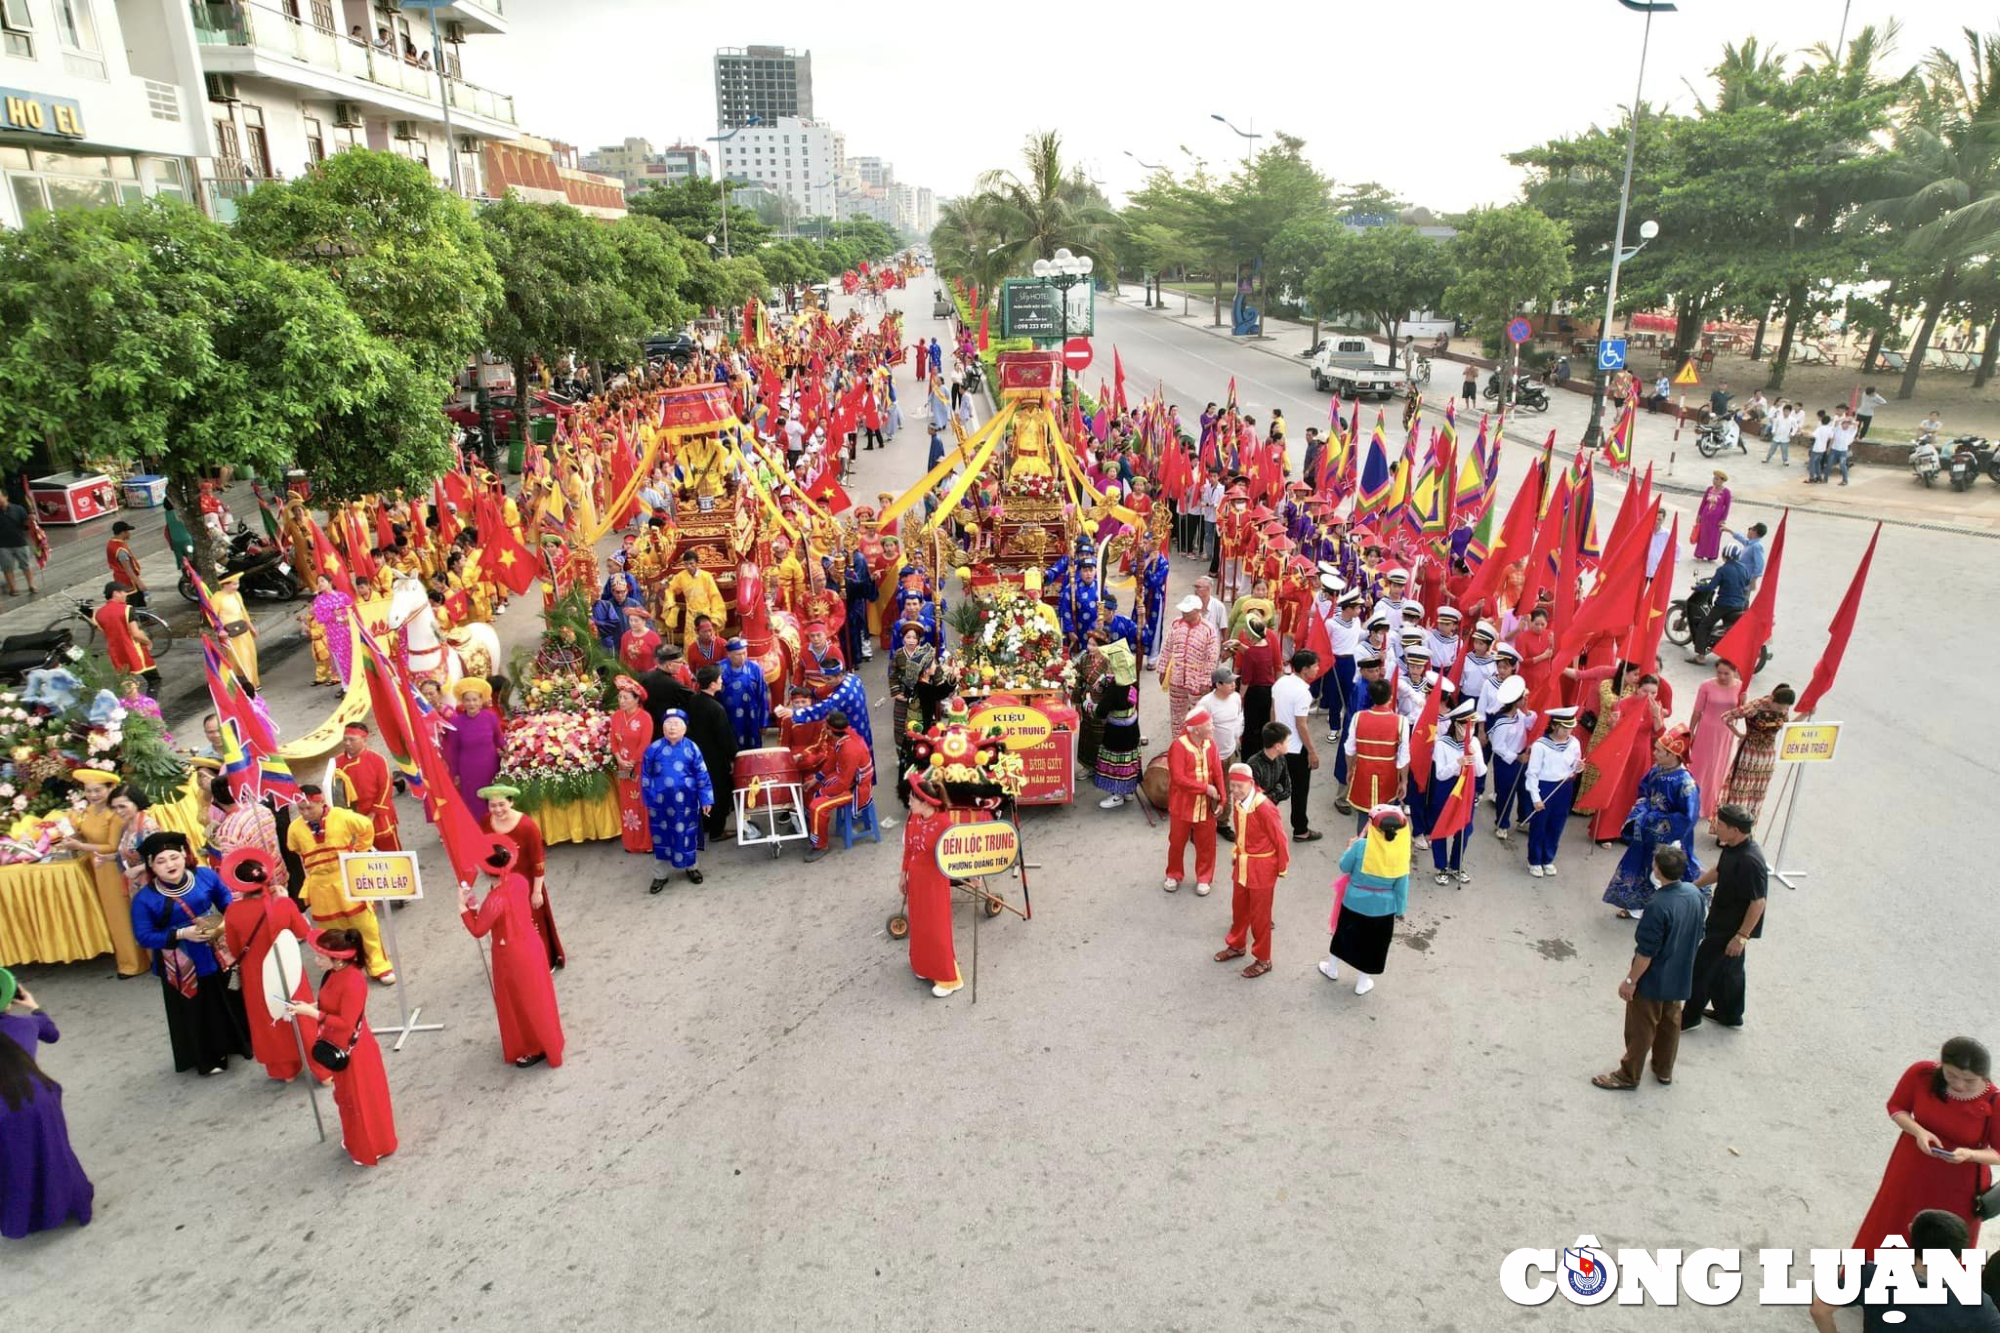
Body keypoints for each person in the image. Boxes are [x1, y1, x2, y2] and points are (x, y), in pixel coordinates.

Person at [1849, 1037, 1999, 1255]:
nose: (1958, 1084)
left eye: (1969, 1080)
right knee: (1893, 1221)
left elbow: (1998, 1152)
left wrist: (1970, 1154)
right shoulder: (1921, 1075)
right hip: (1911, 1167)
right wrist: (1919, 1131)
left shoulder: (1995, 1100)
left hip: (1958, 1184)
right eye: (1951, 1075)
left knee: (1945, 1239)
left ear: (1983, 1077)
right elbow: (1897, 1107)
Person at [128, 830, 251, 1077]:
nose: (169, 865)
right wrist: (183, 935)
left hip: (215, 951)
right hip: (180, 962)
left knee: (227, 998)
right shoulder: (144, 900)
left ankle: (239, 1044)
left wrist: (227, 922)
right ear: (151, 865)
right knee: (196, 1009)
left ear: (184, 854)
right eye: (161, 861)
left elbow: (225, 898)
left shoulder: (204, 876)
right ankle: (208, 1057)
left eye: (174, 857)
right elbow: (143, 936)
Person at [282, 926, 397, 1167]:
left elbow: (345, 1023)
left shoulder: (353, 981)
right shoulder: (335, 974)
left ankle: (373, 1144)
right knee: (347, 1097)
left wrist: (311, 1012)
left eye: (320, 957)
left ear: (338, 959)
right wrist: (308, 1005)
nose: (316, 960)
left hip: (355, 1051)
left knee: (360, 1099)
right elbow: (331, 1004)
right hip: (341, 1045)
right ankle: (357, 1139)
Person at [1592, 845, 1705, 1091]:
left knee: (1641, 1027)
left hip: (1654, 979)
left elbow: (1646, 952)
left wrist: (1630, 981)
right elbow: (1698, 932)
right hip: (1680, 973)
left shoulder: (1658, 905)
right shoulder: (1694, 894)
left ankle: (1629, 1074)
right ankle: (1664, 1069)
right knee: (1671, 1021)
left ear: (1657, 869)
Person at [458, 836, 565, 1070]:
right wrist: (478, 907)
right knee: (539, 998)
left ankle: (534, 1046)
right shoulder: (518, 881)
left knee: (520, 1002)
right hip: (532, 945)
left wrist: (464, 908)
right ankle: (550, 1040)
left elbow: (479, 929)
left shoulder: (495, 899)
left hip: (511, 956)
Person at [219, 847, 318, 1084]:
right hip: (287, 965)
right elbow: (304, 932)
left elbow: (233, 948)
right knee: (301, 1012)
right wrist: (285, 900)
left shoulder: (232, 912)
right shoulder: (281, 905)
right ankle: (320, 1066)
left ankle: (285, 1070)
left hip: (256, 973)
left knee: (268, 1019)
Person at [1811, 1208, 2000, 1330]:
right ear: (1959, 1257)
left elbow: (1819, 1310)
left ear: (1912, 1239)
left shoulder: (1870, 1275)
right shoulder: (1978, 1306)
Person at [285, 785, 395, 983]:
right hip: (319, 886)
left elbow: (366, 827)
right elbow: (293, 849)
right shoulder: (294, 829)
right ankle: (342, 967)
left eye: (309, 807)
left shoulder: (342, 816)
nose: (305, 813)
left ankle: (378, 965)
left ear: (322, 802)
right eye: (301, 809)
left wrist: (359, 853)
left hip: (345, 877)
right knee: (331, 931)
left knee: (365, 924)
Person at [0, 1024, 93, 1239]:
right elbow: (51, 1033)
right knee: (52, 1153)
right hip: (40, 1101)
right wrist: (34, 1007)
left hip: (9, 1119)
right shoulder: (23, 1025)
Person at [57, 768, 150, 979]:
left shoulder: (114, 814)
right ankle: (129, 959)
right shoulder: (90, 810)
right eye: (88, 791)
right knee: (114, 915)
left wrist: (80, 844)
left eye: (98, 790)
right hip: (98, 865)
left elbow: (112, 846)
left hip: (112, 866)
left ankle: (134, 963)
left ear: (110, 789)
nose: (93, 795)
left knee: (121, 914)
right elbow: (90, 834)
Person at [1680, 804, 1765, 1031]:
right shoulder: (1733, 847)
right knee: (1729, 971)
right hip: (1722, 918)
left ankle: (1689, 1016)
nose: (1716, 827)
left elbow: (1758, 902)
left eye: (1722, 825)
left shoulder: (1750, 861)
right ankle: (1730, 1014)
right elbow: (1719, 871)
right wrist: (1694, 886)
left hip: (1731, 927)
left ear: (1735, 830)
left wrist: (1741, 936)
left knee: (1703, 969)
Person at [1602, 728, 1702, 920]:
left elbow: (1688, 818)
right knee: (1640, 865)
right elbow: (1644, 793)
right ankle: (1636, 907)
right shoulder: (1656, 770)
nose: (1654, 753)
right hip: (1647, 831)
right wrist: (1642, 813)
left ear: (1672, 754)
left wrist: (1657, 821)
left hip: (1669, 838)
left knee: (1664, 874)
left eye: (1658, 750)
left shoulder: (1686, 784)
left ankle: (1666, 913)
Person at [1323, 805, 1412, 995]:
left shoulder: (1361, 846)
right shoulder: (1401, 853)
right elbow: (1402, 887)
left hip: (1353, 901)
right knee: (1373, 945)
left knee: (1343, 936)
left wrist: (1349, 848)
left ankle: (1332, 968)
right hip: (1383, 908)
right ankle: (1362, 982)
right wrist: (1401, 910)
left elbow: (1344, 866)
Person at [1213, 763, 1290, 980]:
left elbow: (1280, 839)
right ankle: (1237, 945)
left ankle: (1263, 959)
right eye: (1232, 786)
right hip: (1243, 865)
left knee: (1260, 917)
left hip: (1262, 869)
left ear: (1251, 783)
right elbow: (1240, 834)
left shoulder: (1265, 807)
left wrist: (1281, 867)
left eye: (1239, 786)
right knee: (1239, 909)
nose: (1235, 791)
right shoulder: (1239, 802)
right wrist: (1237, 851)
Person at [478, 786, 563, 970]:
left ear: (511, 802)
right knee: (507, 926)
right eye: (493, 806)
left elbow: (538, 861)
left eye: (502, 804)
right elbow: (484, 852)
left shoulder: (526, 826)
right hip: (501, 884)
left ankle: (544, 961)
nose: (498, 810)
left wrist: (536, 892)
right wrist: (492, 879)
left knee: (533, 924)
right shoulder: (485, 822)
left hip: (528, 884)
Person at [899, 771, 962, 998]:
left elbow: (955, 855)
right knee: (920, 923)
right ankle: (924, 966)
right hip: (916, 881)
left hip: (934, 883)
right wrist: (903, 874)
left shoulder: (943, 823)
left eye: (912, 800)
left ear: (925, 802)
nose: (908, 803)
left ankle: (949, 979)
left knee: (936, 926)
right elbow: (909, 848)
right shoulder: (914, 818)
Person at [640, 710, 714, 891]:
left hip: (686, 804)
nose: (672, 727)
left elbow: (702, 775)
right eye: (668, 724)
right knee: (661, 837)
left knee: (687, 834)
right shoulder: (654, 748)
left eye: (676, 724)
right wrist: (649, 798)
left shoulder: (692, 748)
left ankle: (692, 868)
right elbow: (645, 776)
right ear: (663, 727)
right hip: (660, 804)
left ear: (684, 728)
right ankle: (660, 875)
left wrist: (706, 799)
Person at [1163, 708, 1224, 896]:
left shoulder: (1211, 744)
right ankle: (1173, 874)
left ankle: (1204, 878)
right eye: (1209, 724)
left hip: (1206, 805)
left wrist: (1222, 797)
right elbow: (1178, 779)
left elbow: (1218, 771)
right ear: (1197, 729)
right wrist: (1206, 789)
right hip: (1183, 804)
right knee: (1177, 841)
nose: (1213, 727)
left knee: (1206, 843)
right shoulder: (1179, 746)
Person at [799, 710, 872, 865]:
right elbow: (832, 761)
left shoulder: (850, 749)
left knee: (817, 806)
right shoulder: (843, 737)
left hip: (855, 787)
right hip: (842, 778)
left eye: (825, 727)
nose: (823, 729)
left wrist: (822, 792)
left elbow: (844, 783)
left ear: (831, 730)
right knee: (809, 784)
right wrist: (816, 780)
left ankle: (820, 845)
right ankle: (813, 826)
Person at [1426, 699, 1486, 885]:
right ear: (1457, 725)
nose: (1472, 728)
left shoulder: (1474, 742)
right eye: (1468, 725)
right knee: (1441, 828)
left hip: (1466, 790)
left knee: (1465, 829)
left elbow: (1482, 771)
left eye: (1474, 724)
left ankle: (1456, 865)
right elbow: (1440, 775)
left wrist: (1473, 755)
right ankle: (1441, 866)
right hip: (1446, 789)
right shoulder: (1442, 743)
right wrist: (1457, 763)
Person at [1522, 707, 1583, 877]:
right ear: (1555, 726)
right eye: (1564, 728)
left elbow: (1573, 764)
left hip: (1564, 787)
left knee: (1557, 824)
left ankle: (1548, 858)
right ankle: (1534, 860)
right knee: (1539, 825)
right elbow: (1532, 773)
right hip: (1544, 786)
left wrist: (1577, 767)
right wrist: (1535, 797)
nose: (1568, 732)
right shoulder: (1540, 745)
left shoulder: (1574, 742)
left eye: (1571, 728)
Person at [1720, 683, 1795, 820]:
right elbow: (1726, 717)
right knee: (1739, 789)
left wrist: (1806, 714)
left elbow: (1788, 726)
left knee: (1757, 792)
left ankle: (1746, 827)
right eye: (1779, 707)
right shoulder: (1755, 707)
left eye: (1785, 708)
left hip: (1767, 757)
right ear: (1772, 699)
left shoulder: (1783, 709)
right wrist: (1738, 733)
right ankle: (1729, 825)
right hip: (1749, 753)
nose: (1782, 711)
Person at [1342, 677, 1409, 828]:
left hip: (1363, 772)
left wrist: (1349, 769)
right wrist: (1404, 781)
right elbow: (1404, 757)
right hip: (1388, 775)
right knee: (1386, 817)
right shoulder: (1401, 721)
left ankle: (1363, 848)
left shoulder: (1358, 717)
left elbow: (1349, 749)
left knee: (1363, 817)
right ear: (1391, 697)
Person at [1273, 651, 1322, 842]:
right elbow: (1301, 725)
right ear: (1304, 669)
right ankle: (1300, 829)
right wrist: (1312, 751)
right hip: (1295, 749)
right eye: (1315, 666)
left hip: (1277, 746)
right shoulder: (1303, 693)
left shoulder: (1280, 683)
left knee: (1274, 788)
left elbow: (1273, 711)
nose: (1317, 669)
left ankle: (1267, 825)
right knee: (1299, 791)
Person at [687, 665, 739, 842]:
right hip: (715, 758)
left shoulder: (692, 701)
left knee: (702, 792)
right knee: (720, 793)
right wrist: (735, 756)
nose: (721, 681)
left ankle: (706, 825)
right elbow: (726, 738)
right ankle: (717, 831)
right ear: (712, 684)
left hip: (696, 756)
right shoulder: (716, 708)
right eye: (719, 679)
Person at [1684, 658, 1741, 820]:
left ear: (1735, 672)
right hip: (1706, 731)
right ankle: (1690, 802)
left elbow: (1741, 711)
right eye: (1719, 672)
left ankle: (1710, 804)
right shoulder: (1706, 685)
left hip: (1725, 733)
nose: (1722, 676)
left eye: (1726, 673)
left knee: (1717, 768)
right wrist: (1691, 731)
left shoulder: (1741, 688)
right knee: (1699, 768)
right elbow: (1697, 711)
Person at [1090, 636, 1143, 809]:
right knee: (1129, 758)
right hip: (1132, 728)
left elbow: (1100, 712)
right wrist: (1106, 679)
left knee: (1117, 761)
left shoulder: (1115, 690)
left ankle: (1117, 794)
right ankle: (1127, 791)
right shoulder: (1132, 682)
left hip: (1116, 733)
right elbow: (1116, 681)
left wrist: (1088, 704)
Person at [440, 677, 504, 818]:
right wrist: (456, 773)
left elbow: (499, 739)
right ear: (463, 702)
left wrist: (511, 754)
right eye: (467, 700)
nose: (471, 703)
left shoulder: (491, 717)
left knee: (494, 799)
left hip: (491, 766)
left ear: (481, 701)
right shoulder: (456, 722)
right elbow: (454, 750)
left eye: (475, 700)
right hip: (468, 770)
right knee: (474, 803)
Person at [1160, 594, 1220, 738]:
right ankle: (1178, 743)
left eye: (1188, 611)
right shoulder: (1176, 624)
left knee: (1197, 714)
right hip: (1176, 677)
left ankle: (1197, 742)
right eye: (1183, 610)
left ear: (1198, 610)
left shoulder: (1208, 629)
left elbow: (1212, 658)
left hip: (1197, 680)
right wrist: (1162, 670)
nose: (1184, 613)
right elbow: (1167, 647)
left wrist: (1206, 680)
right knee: (1177, 715)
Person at [334, 723, 400, 852]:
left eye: (352, 739)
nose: (347, 743)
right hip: (352, 817)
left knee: (390, 854)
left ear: (364, 740)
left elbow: (385, 788)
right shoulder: (336, 762)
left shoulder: (377, 760)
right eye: (345, 739)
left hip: (377, 816)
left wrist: (373, 813)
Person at [610, 675, 655, 855]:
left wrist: (633, 761)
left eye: (626, 698)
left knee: (642, 803)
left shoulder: (645, 718)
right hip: (623, 767)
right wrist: (619, 759)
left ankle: (646, 842)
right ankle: (631, 842)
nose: (621, 701)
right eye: (620, 697)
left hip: (640, 766)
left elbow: (645, 743)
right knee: (628, 803)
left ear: (637, 699)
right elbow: (613, 741)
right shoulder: (616, 717)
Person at [93, 584, 159, 694]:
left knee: (128, 681)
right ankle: (150, 705)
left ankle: (134, 706)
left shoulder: (99, 613)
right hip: (133, 651)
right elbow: (136, 634)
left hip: (116, 653)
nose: (126, 594)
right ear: (115, 593)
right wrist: (147, 641)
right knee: (154, 680)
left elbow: (105, 632)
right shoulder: (127, 610)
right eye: (123, 592)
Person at [719, 638, 770, 752]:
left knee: (753, 753)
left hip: (751, 717)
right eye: (738, 654)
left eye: (744, 653)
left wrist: (764, 722)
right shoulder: (719, 669)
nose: (742, 657)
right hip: (729, 719)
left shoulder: (754, 668)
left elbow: (763, 695)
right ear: (729, 654)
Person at [211, 571, 260, 687]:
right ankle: (242, 683)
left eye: (237, 584)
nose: (236, 587)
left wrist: (251, 627)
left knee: (250, 655)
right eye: (233, 584)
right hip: (230, 634)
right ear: (225, 584)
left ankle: (252, 682)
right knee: (237, 658)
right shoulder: (217, 598)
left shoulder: (237, 595)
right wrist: (220, 630)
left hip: (243, 630)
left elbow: (243, 612)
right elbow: (212, 616)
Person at [0, 490, 39, 596]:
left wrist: (31, 520)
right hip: (2, 545)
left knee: (26, 565)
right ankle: (13, 588)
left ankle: (31, 585)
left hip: (20, 542)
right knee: (7, 567)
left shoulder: (18, 509)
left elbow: (26, 524)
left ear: (5, 497)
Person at [1691, 472, 1731, 562]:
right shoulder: (1709, 489)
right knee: (1703, 535)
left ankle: (1711, 556)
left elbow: (1727, 506)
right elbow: (1703, 503)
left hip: (1716, 518)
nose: (1714, 481)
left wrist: (1723, 519)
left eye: (1717, 479)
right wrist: (1699, 514)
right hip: (1706, 516)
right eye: (1714, 478)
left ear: (1722, 481)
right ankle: (1700, 554)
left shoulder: (1726, 492)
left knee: (1714, 536)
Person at [105, 519, 145, 603]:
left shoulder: (111, 543)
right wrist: (139, 583)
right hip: (128, 581)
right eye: (128, 531)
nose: (129, 533)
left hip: (119, 578)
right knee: (136, 604)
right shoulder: (121, 550)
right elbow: (128, 569)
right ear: (123, 533)